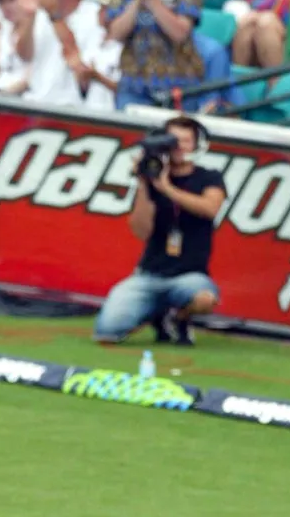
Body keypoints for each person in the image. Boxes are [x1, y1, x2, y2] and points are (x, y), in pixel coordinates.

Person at [93, 116, 225, 346]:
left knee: (204, 298)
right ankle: (155, 315)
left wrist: (167, 188)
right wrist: (145, 183)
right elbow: (141, 230)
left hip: (189, 275)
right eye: (174, 140)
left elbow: (210, 208)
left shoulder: (209, 177)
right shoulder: (152, 178)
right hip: (149, 274)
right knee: (107, 331)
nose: (179, 146)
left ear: (197, 144)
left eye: (186, 140)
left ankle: (178, 319)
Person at [13, 0, 102, 103]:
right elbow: (24, 55)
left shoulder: (94, 16)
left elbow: (82, 68)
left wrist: (55, 17)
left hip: (71, 106)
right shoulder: (41, 14)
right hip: (34, 100)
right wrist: (30, 16)